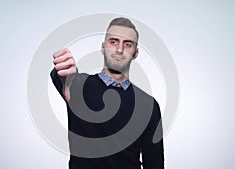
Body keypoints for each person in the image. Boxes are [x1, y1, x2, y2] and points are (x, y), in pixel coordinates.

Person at [50, 17, 164, 169]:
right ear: (103, 47)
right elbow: (63, 80)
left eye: (127, 44)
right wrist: (65, 76)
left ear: (136, 53)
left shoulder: (149, 105)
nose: (119, 49)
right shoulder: (78, 86)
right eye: (113, 41)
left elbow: (154, 164)